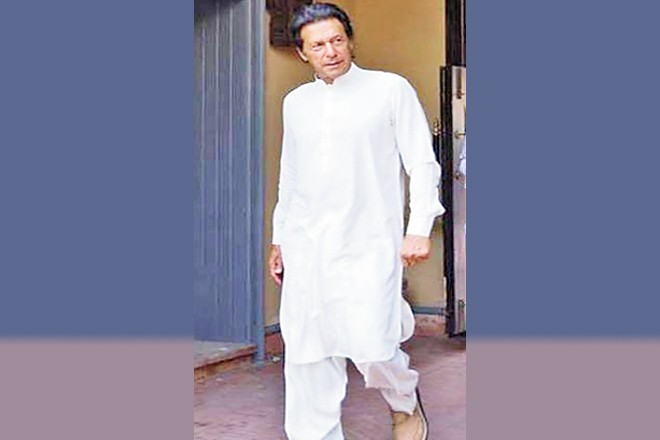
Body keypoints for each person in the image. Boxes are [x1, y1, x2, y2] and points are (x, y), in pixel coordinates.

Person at [268, 3, 445, 439]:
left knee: (374, 345)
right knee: (308, 353)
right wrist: (279, 238)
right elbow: (290, 177)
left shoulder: (389, 90)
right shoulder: (297, 103)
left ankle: (404, 400)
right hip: (308, 245)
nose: (330, 51)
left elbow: (422, 163)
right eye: (317, 45)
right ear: (302, 52)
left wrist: (419, 228)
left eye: (337, 40)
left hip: (369, 242)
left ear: (349, 41)